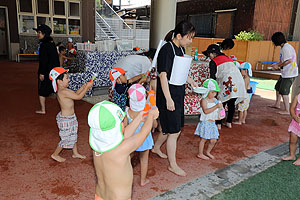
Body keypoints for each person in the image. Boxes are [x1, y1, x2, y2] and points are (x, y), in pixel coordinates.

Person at [152, 21, 198, 177]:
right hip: (168, 95)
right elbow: (163, 76)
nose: (191, 41)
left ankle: (156, 148)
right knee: (174, 132)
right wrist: (168, 99)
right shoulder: (166, 50)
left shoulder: (180, 48)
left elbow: (181, 70)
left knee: (168, 128)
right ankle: (172, 165)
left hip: (177, 94)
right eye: (189, 37)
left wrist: (191, 81)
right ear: (179, 36)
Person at [88, 101, 159, 200]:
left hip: (100, 196)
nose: (123, 124)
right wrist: (151, 116)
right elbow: (142, 134)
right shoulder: (122, 149)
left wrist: (139, 118)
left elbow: (122, 136)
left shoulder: (98, 146)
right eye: (121, 122)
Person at [49, 67, 93, 162]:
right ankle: (55, 154)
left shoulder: (65, 90)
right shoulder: (62, 92)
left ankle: (75, 153)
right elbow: (78, 97)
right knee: (65, 138)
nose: (69, 80)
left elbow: (75, 94)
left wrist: (83, 87)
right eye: (66, 78)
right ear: (59, 81)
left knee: (73, 134)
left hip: (71, 117)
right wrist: (87, 88)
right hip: (66, 119)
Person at [203, 44, 247, 129]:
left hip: (226, 83)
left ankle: (218, 123)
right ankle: (229, 122)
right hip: (238, 82)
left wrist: (213, 90)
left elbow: (213, 78)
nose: (209, 57)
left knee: (221, 103)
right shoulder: (228, 58)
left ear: (213, 53)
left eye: (209, 55)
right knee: (232, 103)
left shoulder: (213, 62)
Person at [124, 84, 155, 186]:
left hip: (131, 138)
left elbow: (124, 126)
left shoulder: (127, 110)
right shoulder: (146, 112)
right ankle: (143, 180)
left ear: (129, 97)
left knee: (128, 157)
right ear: (144, 97)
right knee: (144, 159)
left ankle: (125, 178)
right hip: (144, 138)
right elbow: (155, 125)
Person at [269, 32, 298, 115]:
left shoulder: (286, 48)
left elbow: (288, 61)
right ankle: (277, 104)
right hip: (286, 72)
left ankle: (287, 110)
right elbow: (284, 60)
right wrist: (277, 65)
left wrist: (278, 65)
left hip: (290, 73)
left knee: (284, 91)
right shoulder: (284, 47)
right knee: (278, 87)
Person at [33, 24, 59, 114]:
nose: (38, 34)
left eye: (39, 32)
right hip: (53, 71)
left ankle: (43, 110)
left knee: (41, 91)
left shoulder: (44, 45)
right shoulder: (52, 43)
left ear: (44, 34)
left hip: (46, 71)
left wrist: (42, 73)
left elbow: (44, 61)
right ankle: (63, 107)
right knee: (55, 90)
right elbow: (55, 59)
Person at [194, 79, 223, 160]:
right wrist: (216, 106)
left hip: (212, 123)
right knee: (203, 139)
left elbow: (219, 109)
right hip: (206, 123)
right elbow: (206, 111)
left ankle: (208, 152)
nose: (214, 94)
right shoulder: (204, 100)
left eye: (215, 92)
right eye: (212, 92)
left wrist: (220, 110)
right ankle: (200, 153)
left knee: (213, 140)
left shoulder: (214, 100)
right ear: (207, 91)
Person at [282, 93, 300, 165]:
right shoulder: (297, 97)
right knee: (292, 140)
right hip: (295, 123)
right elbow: (292, 108)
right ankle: (292, 155)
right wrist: (294, 116)